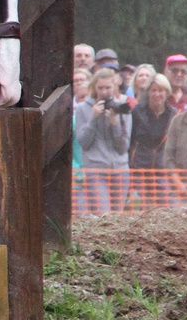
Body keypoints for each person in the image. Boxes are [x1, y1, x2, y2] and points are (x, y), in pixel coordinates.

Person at [75, 67, 131, 213]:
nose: (105, 91)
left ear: (115, 86)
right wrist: (93, 118)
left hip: (119, 168)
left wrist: (115, 124)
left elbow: (123, 147)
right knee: (102, 216)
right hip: (96, 168)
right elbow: (84, 143)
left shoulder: (123, 108)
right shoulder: (82, 109)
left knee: (117, 218)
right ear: (94, 87)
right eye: (101, 88)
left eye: (108, 87)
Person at [129, 73, 175, 170]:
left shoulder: (174, 115)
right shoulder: (137, 112)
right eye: (153, 90)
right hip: (139, 167)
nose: (156, 94)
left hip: (163, 168)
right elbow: (130, 140)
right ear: (148, 92)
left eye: (160, 90)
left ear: (167, 92)